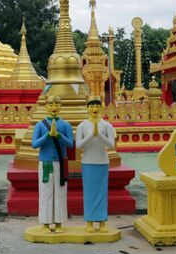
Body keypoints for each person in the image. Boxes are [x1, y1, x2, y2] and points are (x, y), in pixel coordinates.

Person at [31, 95, 74, 233]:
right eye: (50, 104)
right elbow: (34, 144)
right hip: (45, 163)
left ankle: (59, 222)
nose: (54, 107)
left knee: (60, 193)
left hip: (60, 163)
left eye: (57, 104)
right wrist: (48, 135)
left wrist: (59, 135)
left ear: (61, 106)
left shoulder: (65, 125)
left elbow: (71, 144)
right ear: (46, 106)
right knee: (45, 193)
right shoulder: (40, 125)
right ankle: (45, 223)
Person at [76, 96, 115, 233]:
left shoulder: (107, 125)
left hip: (102, 162)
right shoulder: (82, 125)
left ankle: (102, 221)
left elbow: (111, 145)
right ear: (87, 108)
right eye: (91, 106)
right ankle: (89, 222)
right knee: (89, 193)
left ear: (101, 108)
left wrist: (99, 135)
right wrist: (92, 135)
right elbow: (78, 145)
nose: (95, 109)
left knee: (102, 193)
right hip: (88, 162)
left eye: (97, 106)